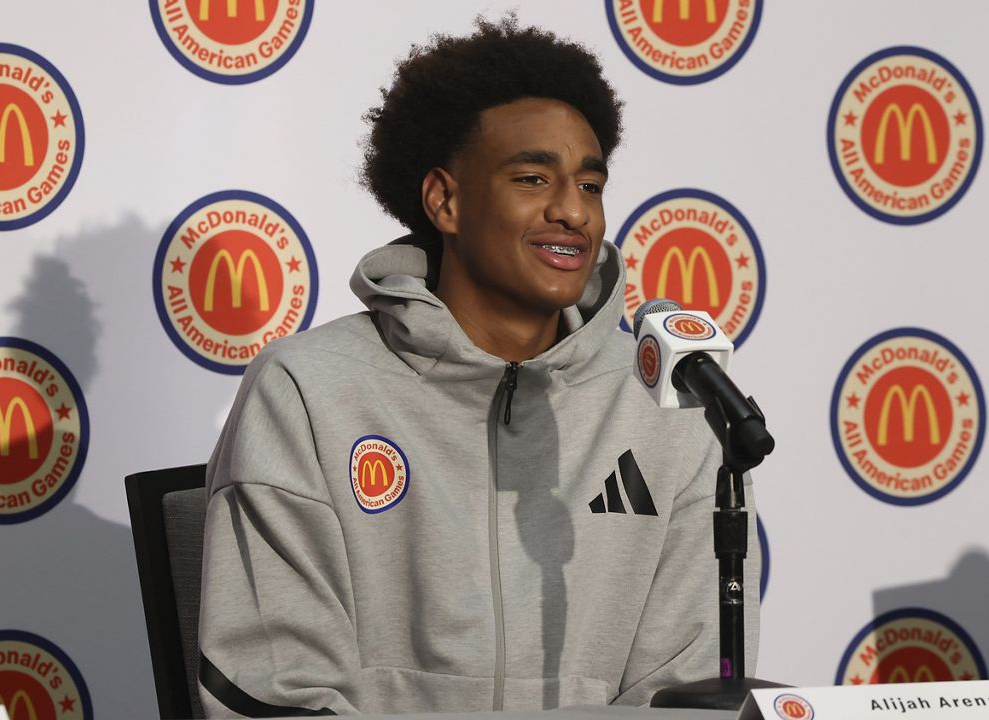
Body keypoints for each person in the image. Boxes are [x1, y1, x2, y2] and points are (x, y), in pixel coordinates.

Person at [197, 17, 761, 717]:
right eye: (533, 178)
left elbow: (688, 694)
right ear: (447, 201)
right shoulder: (307, 391)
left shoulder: (671, 403)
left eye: (590, 185)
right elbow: (274, 693)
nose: (573, 212)